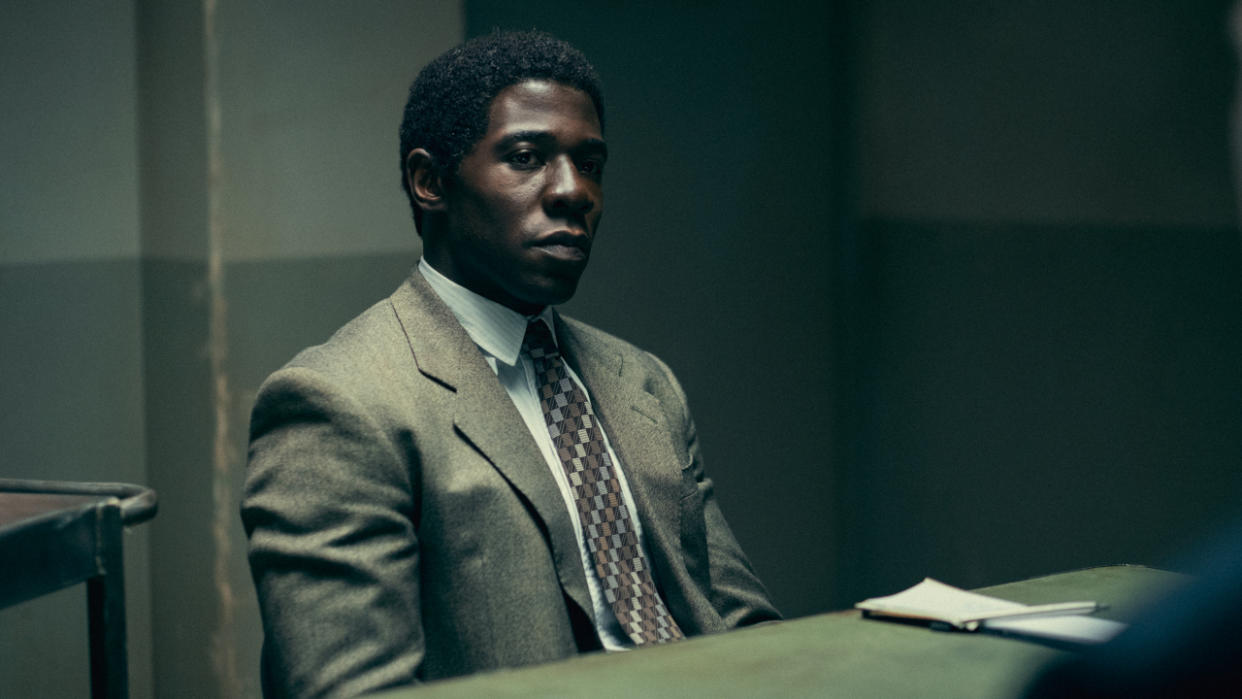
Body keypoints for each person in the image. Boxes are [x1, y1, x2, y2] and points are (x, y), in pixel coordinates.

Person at [241, 30, 779, 698]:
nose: (572, 191)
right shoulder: (339, 404)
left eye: (591, 163)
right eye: (527, 157)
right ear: (429, 181)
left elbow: (745, 622)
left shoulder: (641, 381)